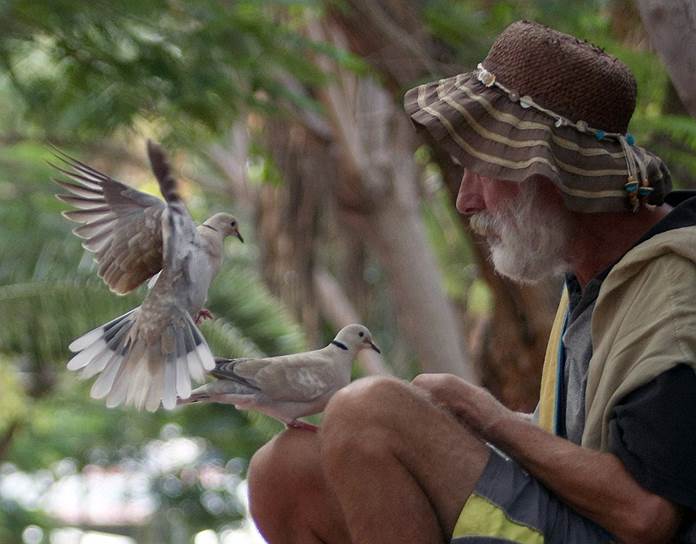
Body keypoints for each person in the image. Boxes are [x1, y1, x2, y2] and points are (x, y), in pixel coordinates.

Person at [247, 20, 696, 543]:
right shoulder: (596, 274)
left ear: (550, 174)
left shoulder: (673, 289)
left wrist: (486, 415)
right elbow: (578, 445)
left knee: (365, 410)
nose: (466, 200)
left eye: (482, 170)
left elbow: (646, 514)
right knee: (284, 470)